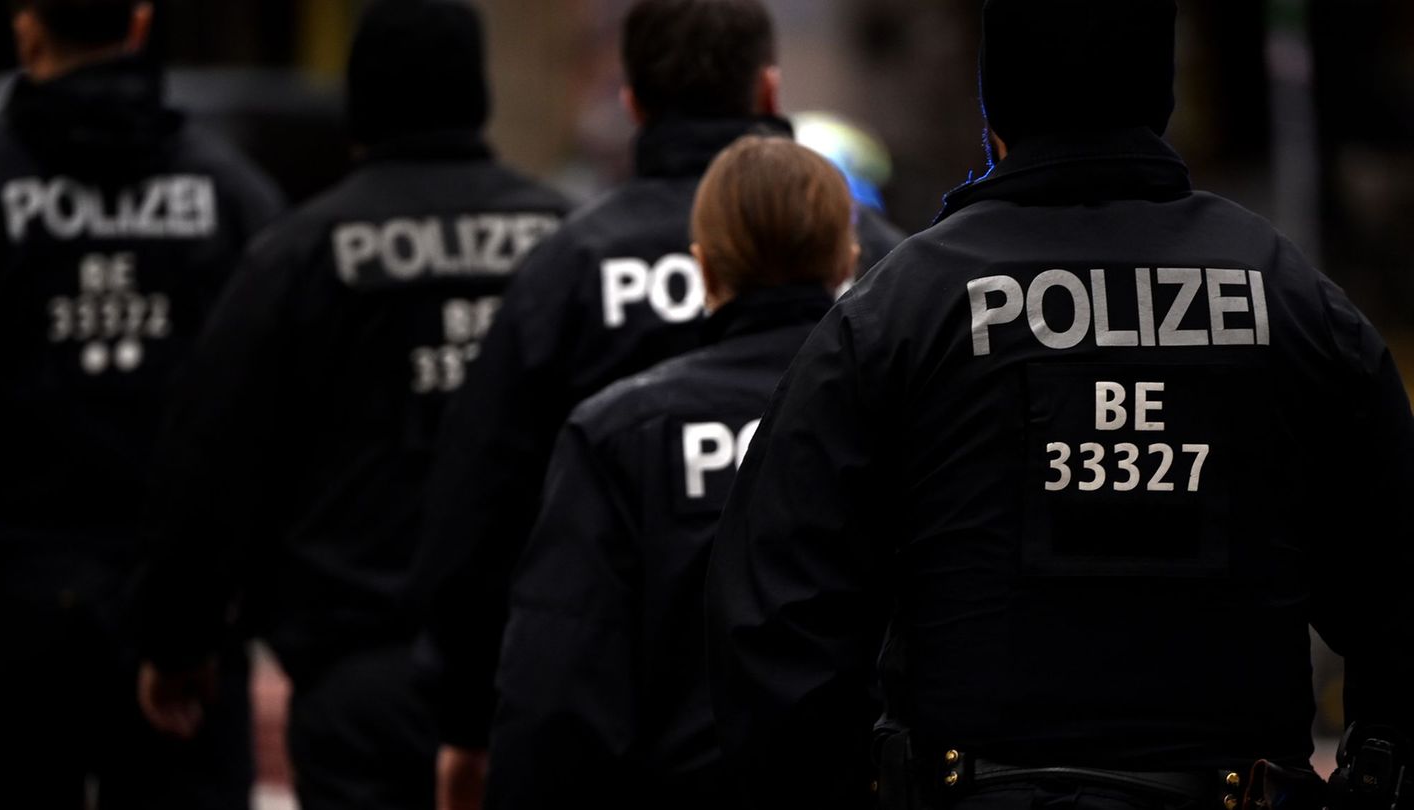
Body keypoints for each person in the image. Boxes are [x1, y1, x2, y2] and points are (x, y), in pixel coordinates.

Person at [705, 2, 1414, 810]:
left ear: (993, 111)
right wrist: (1373, 776)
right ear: (1161, 96)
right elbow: (1398, 580)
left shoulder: (902, 308)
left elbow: (773, 610)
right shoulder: (1292, 303)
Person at [413, 1, 905, 799]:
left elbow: (483, 508)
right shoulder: (895, 283)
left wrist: (467, 721)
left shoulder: (573, 278)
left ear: (632, 99)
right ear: (769, 88)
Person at [132, 2, 570, 809]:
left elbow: (212, 458)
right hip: (535, 668)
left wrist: (180, 638)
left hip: (359, 671)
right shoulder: (564, 243)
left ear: (361, 102)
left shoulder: (299, 256)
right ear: (476, 91)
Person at [488, 135, 858, 810]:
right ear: (848, 261)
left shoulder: (620, 433)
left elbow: (559, 691)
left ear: (705, 271)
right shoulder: (893, 415)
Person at [0, 0, 283, 806]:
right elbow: (265, 424)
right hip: (178, 628)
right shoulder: (231, 196)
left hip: (7, 615)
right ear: (142, 23)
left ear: (28, 26)